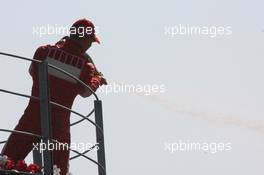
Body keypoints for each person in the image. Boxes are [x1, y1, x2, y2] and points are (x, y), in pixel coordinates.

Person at [1, 18, 106, 175]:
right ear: (83, 39)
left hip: (32, 116)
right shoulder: (85, 65)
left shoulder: (43, 51)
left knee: (6, 162)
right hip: (59, 124)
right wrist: (97, 78)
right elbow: (86, 92)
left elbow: (32, 71)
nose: (91, 45)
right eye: (90, 41)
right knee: (58, 171)